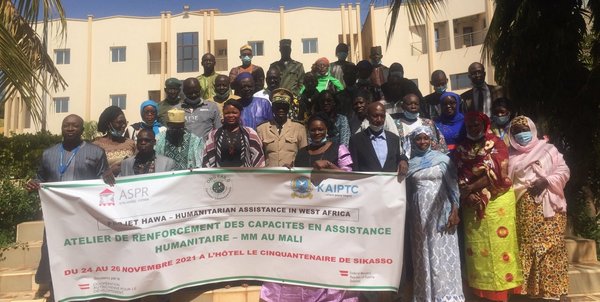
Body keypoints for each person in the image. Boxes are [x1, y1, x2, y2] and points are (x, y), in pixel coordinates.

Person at [26, 114, 109, 301]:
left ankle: (88, 291)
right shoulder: (49, 154)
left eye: (75, 126)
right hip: (56, 217)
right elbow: (41, 178)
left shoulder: (96, 152)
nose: (70, 129)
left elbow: (102, 182)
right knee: (53, 251)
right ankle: (56, 292)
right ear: (62, 128)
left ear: (82, 130)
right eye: (66, 125)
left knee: (85, 252)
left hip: (84, 216)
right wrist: (34, 183)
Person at [453, 112, 522, 302]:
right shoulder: (461, 148)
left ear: (484, 125)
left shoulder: (497, 144)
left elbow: (499, 171)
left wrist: (473, 187)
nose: (473, 128)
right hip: (471, 202)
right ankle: (481, 292)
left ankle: (501, 290)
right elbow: (457, 171)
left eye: (477, 125)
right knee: (477, 247)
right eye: (470, 126)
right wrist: (468, 193)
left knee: (500, 246)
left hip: (497, 199)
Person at [508, 116, 570, 301]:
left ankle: (556, 290)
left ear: (533, 129)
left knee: (553, 247)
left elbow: (564, 170)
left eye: (524, 129)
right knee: (528, 248)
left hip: (551, 206)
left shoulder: (549, 149)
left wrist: (546, 181)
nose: (521, 134)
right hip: (524, 208)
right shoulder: (510, 155)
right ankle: (532, 292)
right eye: (516, 131)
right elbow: (507, 181)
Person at [406, 126, 464, 302]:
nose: (422, 142)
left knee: (443, 253)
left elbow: (453, 187)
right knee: (423, 252)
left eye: (426, 138)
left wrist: (455, 211)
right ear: (413, 141)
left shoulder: (443, 160)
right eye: (418, 139)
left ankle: (447, 295)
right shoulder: (410, 164)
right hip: (419, 216)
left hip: (441, 212)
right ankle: (426, 295)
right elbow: (406, 192)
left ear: (431, 140)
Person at [349, 102, 408, 174]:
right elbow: (354, 168)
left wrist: (403, 161)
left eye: (382, 116)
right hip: (367, 184)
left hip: (390, 184)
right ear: (367, 117)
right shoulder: (356, 140)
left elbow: (399, 157)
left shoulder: (394, 138)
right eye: (375, 116)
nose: (379, 119)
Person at [202, 99, 265, 167]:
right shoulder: (213, 135)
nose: (231, 115)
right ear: (223, 114)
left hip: (244, 175)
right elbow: (207, 159)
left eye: (234, 113)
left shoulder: (250, 133)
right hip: (221, 176)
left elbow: (258, 158)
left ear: (240, 114)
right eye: (227, 113)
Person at [256, 88, 307, 167]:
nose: (281, 109)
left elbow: (304, 155)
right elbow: (258, 157)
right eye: (278, 106)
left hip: (291, 175)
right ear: (272, 107)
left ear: (289, 108)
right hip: (269, 175)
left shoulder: (299, 128)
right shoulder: (262, 129)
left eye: (284, 106)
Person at [392, 93, 447, 157]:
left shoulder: (428, 123)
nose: (413, 106)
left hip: (429, 162)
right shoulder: (395, 125)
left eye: (416, 104)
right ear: (402, 106)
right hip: (406, 163)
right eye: (409, 104)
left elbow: (439, 144)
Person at [93, 106, 136, 176]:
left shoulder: (131, 143)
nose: (123, 125)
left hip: (128, 185)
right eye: (119, 122)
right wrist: (110, 171)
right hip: (106, 185)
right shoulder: (96, 145)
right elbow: (91, 171)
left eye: (125, 122)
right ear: (109, 124)